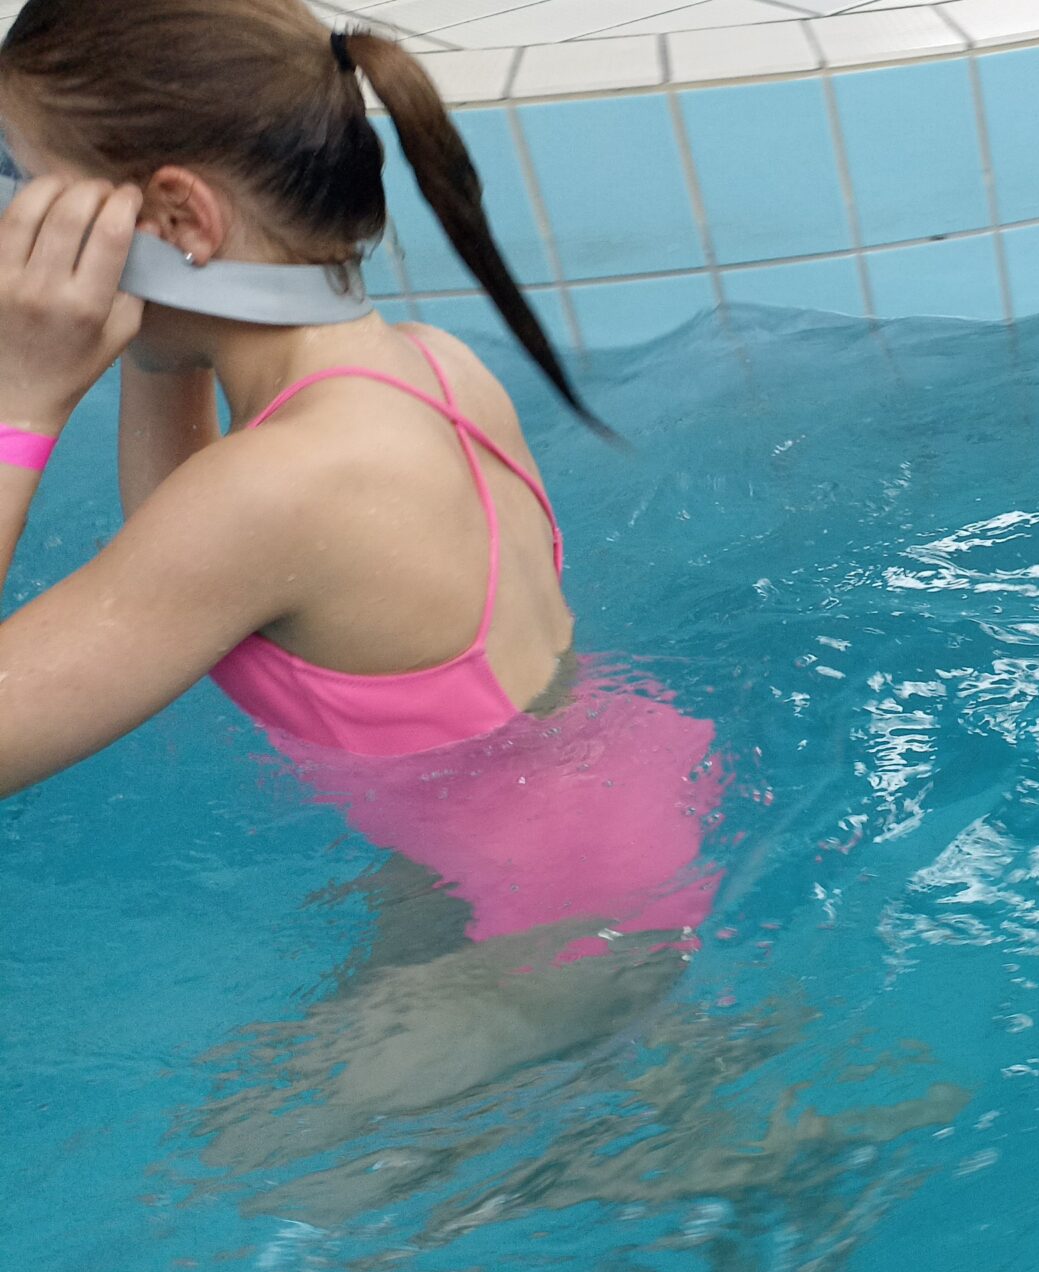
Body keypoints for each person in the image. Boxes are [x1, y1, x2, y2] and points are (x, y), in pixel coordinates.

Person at [0, 1, 722, 1153]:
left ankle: (745, 1156)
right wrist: (151, 327)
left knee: (242, 1176)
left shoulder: (282, 491)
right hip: (599, 815)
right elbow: (179, 553)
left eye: (30, 188)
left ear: (179, 215)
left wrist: (19, 399)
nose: (20, 236)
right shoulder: (426, 368)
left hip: (554, 927)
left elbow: (208, 540)